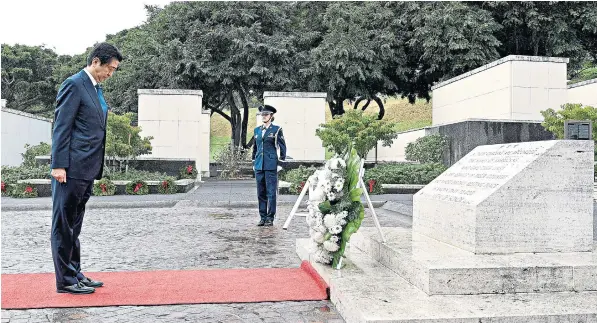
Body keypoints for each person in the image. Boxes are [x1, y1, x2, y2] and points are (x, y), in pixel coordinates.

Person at [50, 43, 123, 294]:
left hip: (87, 168)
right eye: (109, 69)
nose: (111, 74)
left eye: (114, 70)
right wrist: (58, 164)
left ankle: (74, 272)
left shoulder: (94, 88)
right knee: (64, 225)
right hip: (70, 168)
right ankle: (65, 281)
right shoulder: (74, 84)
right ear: (95, 62)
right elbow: (61, 126)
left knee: (75, 224)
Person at [252, 105, 287, 226]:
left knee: (271, 192)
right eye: (262, 114)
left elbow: (282, 147)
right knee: (260, 193)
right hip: (259, 165)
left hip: (271, 165)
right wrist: (253, 162)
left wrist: (280, 163)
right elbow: (255, 148)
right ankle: (262, 217)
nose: (264, 116)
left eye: (266, 114)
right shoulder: (257, 130)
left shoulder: (276, 130)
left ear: (271, 116)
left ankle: (270, 218)